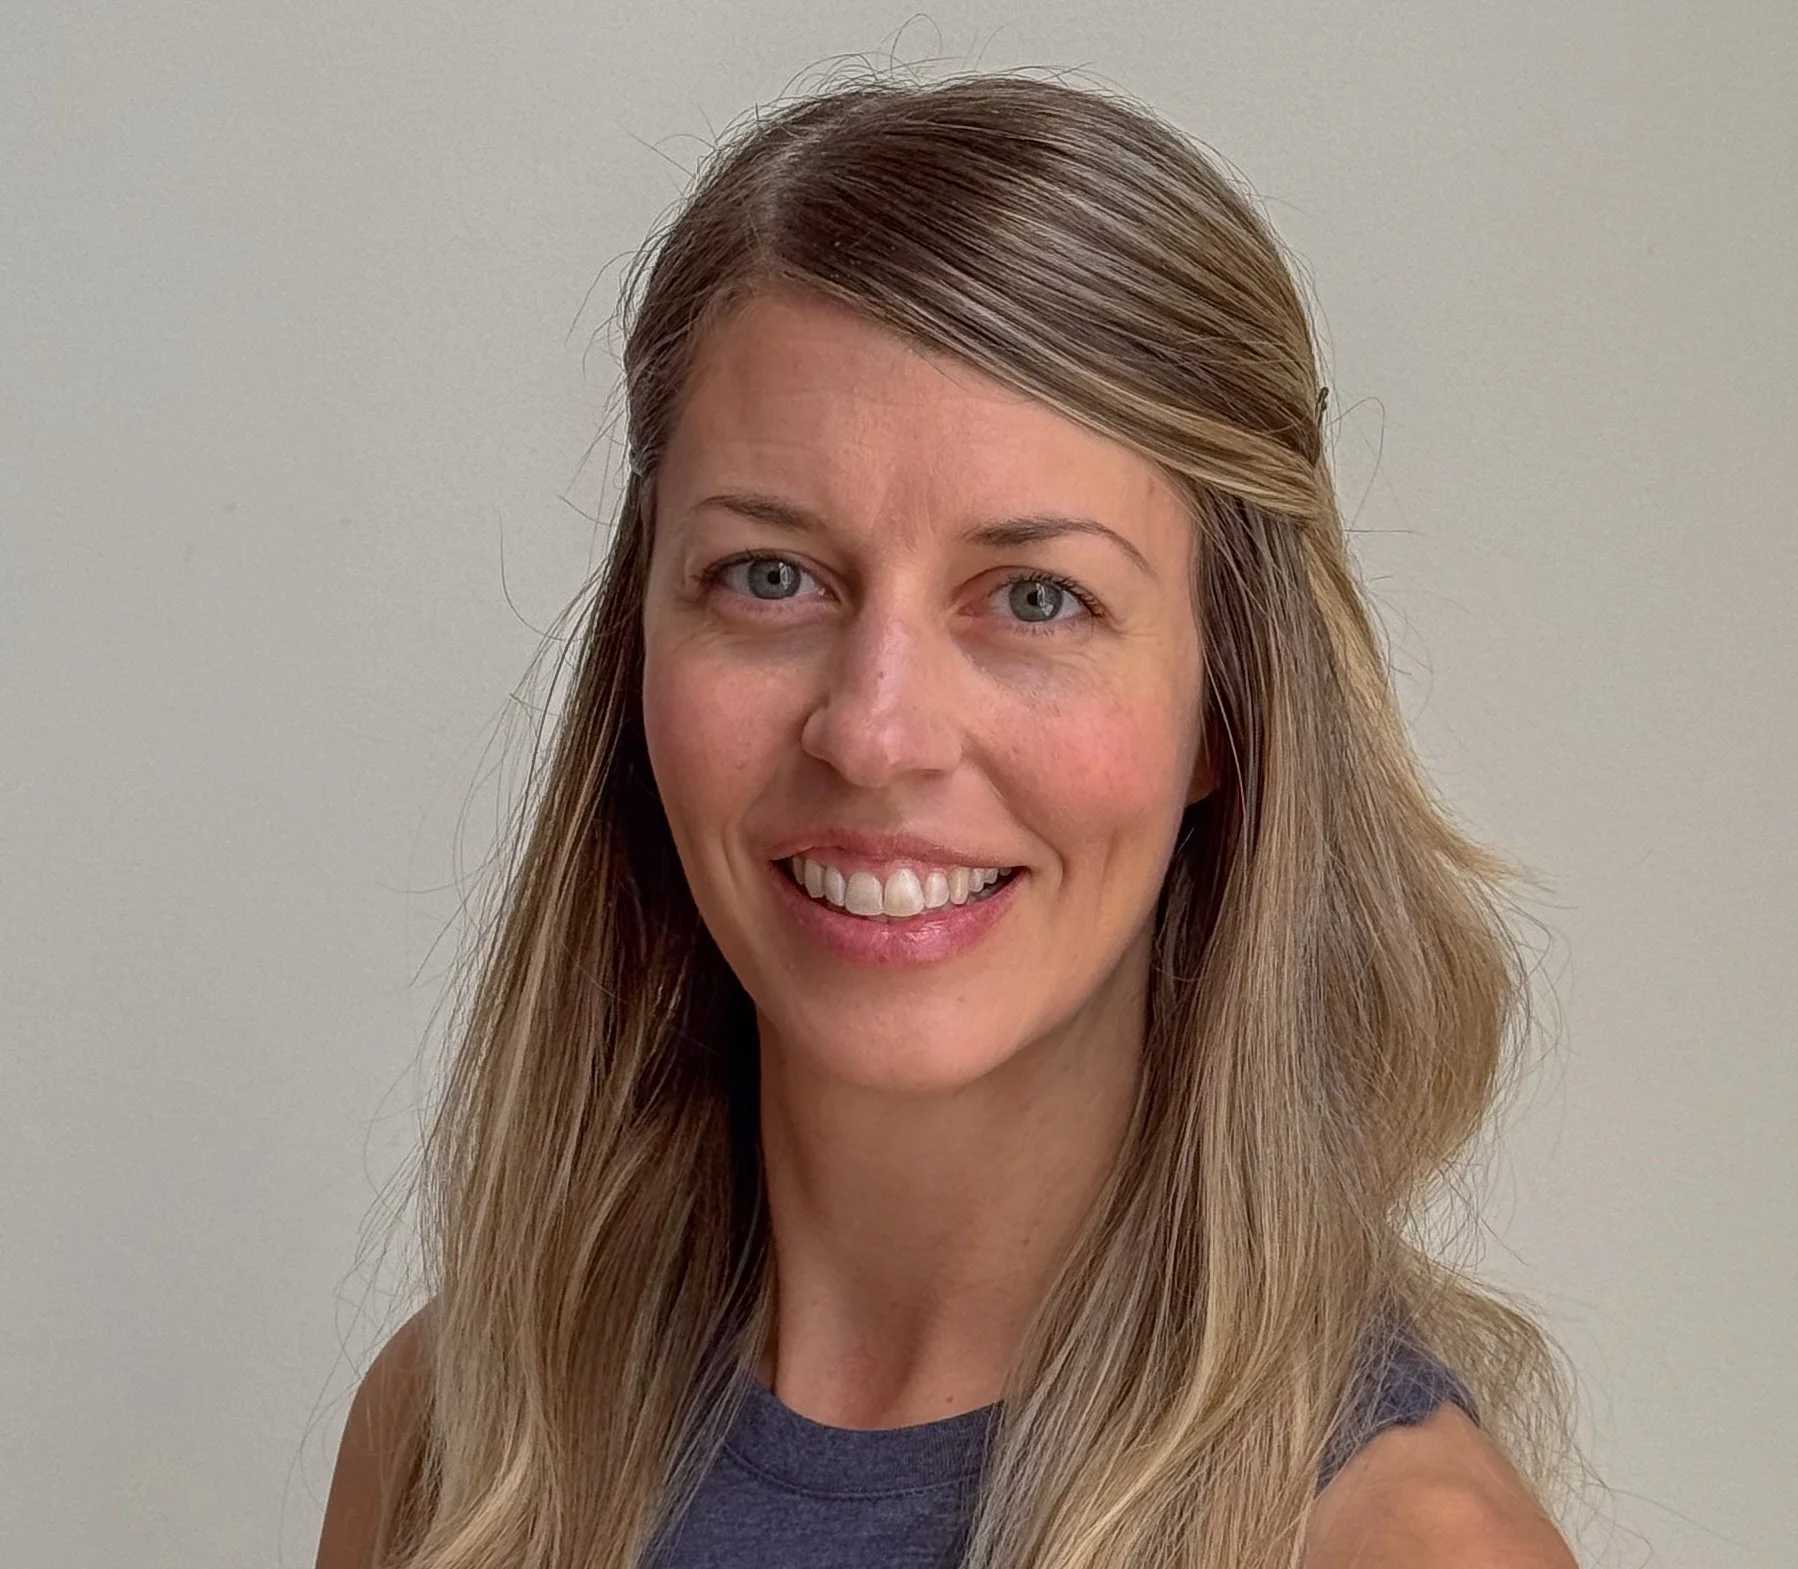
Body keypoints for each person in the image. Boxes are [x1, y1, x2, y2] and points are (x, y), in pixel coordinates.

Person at [315, 69, 1584, 1569]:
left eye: (1035, 599)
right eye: (771, 576)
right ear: (639, 646)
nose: (874, 730)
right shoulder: (464, 1443)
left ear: (1226, 711)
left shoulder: (1393, 1548)